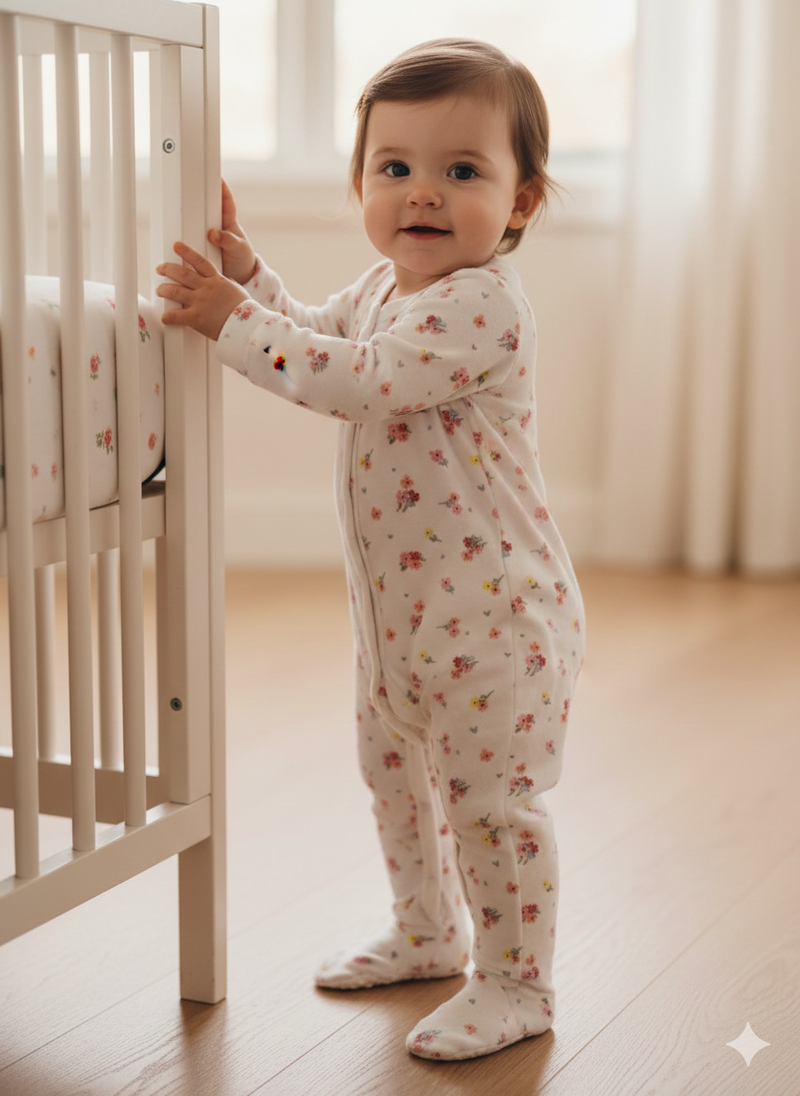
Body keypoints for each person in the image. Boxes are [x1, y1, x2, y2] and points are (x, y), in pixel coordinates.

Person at [156, 37, 585, 1062]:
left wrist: (225, 322)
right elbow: (315, 332)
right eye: (393, 168)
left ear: (519, 202)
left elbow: (354, 380)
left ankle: (516, 980)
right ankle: (428, 931)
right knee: (394, 775)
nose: (420, 194)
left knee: (486, 804)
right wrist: (251, 274)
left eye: (460, 171)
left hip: (498, 624)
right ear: (359, 184)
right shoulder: (383, 288)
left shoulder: (480, 305)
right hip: (400, 623)